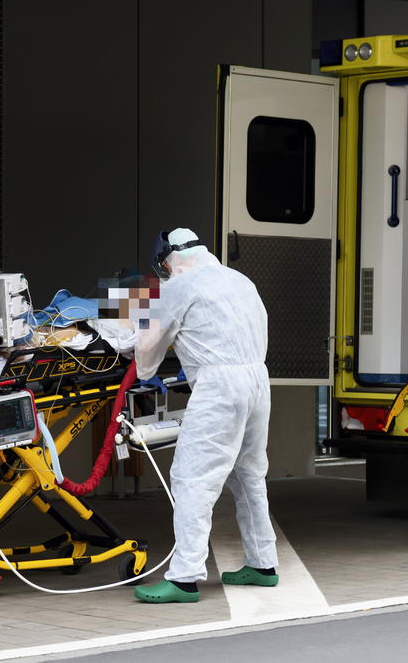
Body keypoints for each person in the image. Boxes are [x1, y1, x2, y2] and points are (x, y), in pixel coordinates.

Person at [132, 228, 278, 604]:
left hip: (219, 387)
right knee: (249, 475)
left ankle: (183, 579)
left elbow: (147, 345)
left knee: (192, 479)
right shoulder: (240, 280)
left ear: (169, 261)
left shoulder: (179, 286)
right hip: (257, 382)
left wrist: (145, 369)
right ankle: (263, 565)